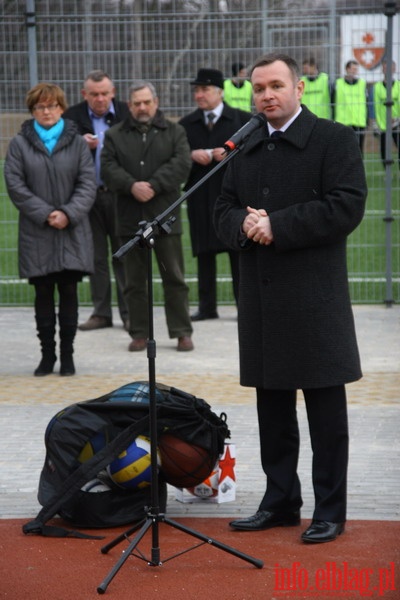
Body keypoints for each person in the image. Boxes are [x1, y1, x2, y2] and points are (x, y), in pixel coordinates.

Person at [214, 53, 367, 544]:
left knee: (326, 417)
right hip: (262, 301)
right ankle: (280, 500)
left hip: (315, 300)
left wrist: (277, 225)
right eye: (259, 88)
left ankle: (329, 509)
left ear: (299, 89)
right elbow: (220, 207)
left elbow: (346, 205)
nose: (266, 95)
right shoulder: (246, 142)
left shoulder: (334, 139)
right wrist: (242, 224)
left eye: (276, 85)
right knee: (273, 413)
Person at [4, 83, 96, 376]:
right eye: (41, 107)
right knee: (42, 294)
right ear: (32, 111)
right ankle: (47, 356)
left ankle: (67, 357)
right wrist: (46, 214)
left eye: (53, 106)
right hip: (37, 232)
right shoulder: (19, 144)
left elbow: (87, 182)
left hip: (72, 230)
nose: (47, 111)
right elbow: (16, 185)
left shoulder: (78, 142)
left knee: (69, 291)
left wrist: (68, 213)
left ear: (61, 108)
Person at [101, 80, 194, 352]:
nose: (142, 107)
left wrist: (153, 184)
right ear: (129, 106)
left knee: (174, 277)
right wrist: (131, 185)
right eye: (136, 103)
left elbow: (182, 164)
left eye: (146, 102)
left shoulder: (175, 131)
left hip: (164, 218)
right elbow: (107, 167)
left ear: (156, 103)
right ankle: (139, 332)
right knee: (133, 281)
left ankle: (181, 331)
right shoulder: (114, 135)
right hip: (129, 218)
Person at [179, 68, 251, 321]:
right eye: (197, 90)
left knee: (237, 250)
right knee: (204, 251)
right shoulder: (186, 125)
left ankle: (245, 306)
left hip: (233, 196)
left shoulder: (242, 121)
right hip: (200, 195)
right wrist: (190, 155)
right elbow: (176, 156)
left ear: (220, 92)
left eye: (205, 89)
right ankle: (207, 306)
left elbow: (253, 154)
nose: (199, 95)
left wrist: (232, 154)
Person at [63, 70, 130, 331]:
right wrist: (79, 145)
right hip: (86, 196)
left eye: (104, 93)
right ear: (84, 95)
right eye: (94, 94)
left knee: (124, 254)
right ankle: (101, 312)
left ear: (113, 93)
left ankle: (129, 313)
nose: (100, 99)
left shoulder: (126, 113)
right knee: (96, 257)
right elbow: (59, 151)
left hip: (120, 195)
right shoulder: (72, 117)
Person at [333, 60, 368, 155]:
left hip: (359, 122)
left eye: (356, 69)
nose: (354, 71)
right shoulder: (338, 84)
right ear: (347, 69)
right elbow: (332, 102)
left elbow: (368, 103)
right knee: (342, 150)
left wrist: (367, 120)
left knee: (359, 151)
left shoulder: (362, 84)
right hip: (342, 122)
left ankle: (358, 170)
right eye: (352, 69)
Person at [373, 60, 400, 170]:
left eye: (390, 68)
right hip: (383, 124)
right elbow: (376, 106)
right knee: (384, 151)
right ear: (382, 70)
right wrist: (378, 122)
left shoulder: (398, 85)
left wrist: (397, 119)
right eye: (385, 68)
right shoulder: (377, 87)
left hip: (397, 124)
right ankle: (388, 172)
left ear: (394, 69)